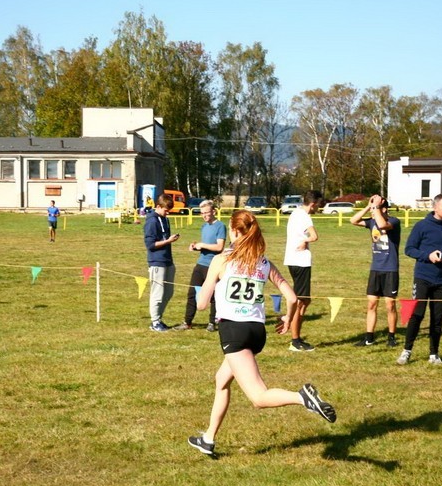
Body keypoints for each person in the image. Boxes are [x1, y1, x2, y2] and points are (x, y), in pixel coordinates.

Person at [187, 210, 336, 456]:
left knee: (259, 397)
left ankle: (303, 397)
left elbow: (202, 304)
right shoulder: (263, 262)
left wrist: (206, 288)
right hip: (257, 332)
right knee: (221, 380)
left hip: (234, 330)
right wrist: (288, 318)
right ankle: (208, 439)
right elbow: (292, 297)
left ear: (235, 231)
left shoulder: (221, 260)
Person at [397, 193, 442, 365]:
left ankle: (434, 354)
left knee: (437, 317)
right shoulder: (422, 226)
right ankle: (406, 351)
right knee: (417, 314)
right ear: (435, 208)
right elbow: (409, 249)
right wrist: (428, 256)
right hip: (423, 277)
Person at [350, 194, 401, 347]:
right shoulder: (372, 221)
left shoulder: (394, 221)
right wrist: (368, 206)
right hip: (376, 269)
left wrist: (376, 207)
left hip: (390, 269)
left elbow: (383, 225)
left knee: (390, 305)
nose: (372, 211)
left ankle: (391, 337)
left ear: (383, 209)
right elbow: (353, 220)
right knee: (371, 304)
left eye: (375, 208)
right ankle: (369, 337)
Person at [173, 200, 227, 332]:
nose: (204, 216)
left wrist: (202, 245)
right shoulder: (204, 227)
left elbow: (219, 247)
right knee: (192, 293)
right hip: (200, 264)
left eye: (206, 213)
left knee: (214, 296)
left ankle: (212, 323)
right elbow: (207, 245)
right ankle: (187, 322)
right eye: (202, 213)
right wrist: (196, 246)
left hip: (213, 266)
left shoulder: (220, 226)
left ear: (213, 212)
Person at [283, 190, 323, 352]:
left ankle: (295, 334)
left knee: (304, 300)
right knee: (301, 302)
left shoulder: (295, 213)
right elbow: (314, 236)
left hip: (292, 260)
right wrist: (306, 241)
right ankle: (295, 341)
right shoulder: (305, 217)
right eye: (318, 205)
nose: (319, 208)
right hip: (301, 261)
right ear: (312, 204)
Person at [144, 193, 180, 332]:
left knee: (168, 293)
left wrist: (170, 240)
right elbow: (150, 245)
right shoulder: (152, 221)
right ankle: (154, 322)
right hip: (157, 261)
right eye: (166, 210)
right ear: (158, 206)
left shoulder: (165, 219)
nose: (167, 213)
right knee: (157, 294)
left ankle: (158, 318)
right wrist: (168, 241)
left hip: (168, 260)